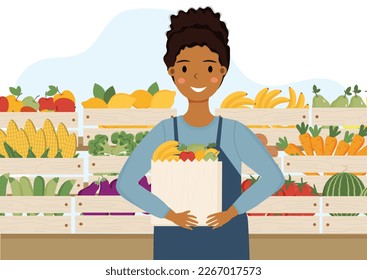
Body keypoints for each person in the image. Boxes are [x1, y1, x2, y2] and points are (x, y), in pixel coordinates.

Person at [117, 7, 284, 260]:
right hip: (174, 242)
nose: (196, 76)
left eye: (208, 68)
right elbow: (126, 183)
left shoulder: (233, 132)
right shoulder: (164, 132)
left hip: (227, 243)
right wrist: (169, 214)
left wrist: (232, 212)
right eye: (185, 69)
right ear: (171, 71)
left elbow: (273, 177)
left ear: (222, 71)